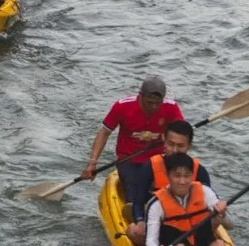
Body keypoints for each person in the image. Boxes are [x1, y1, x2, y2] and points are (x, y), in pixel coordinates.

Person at [80, 75, 186, 219]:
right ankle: (137, 217)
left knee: (166, 192)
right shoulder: (122, 106)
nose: (154, 107)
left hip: (159, 159)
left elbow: (182, 135)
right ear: (140, 96)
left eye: (157, 103)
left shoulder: (171, 107)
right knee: (135, 195)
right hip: (129, 159)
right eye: (149, 102)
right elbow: (104, 133)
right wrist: (92, 162)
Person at [147, 152, 237, 246]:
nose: (182, 181)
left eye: (187, 175)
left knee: (219, 245)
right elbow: (150, 240)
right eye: (177, 176)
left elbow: (231, 225)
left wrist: (222, 213)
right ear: (168, 176)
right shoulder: (156, 204)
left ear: (192, 175)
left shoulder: (205, 192)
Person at [125, 119, 213, 246]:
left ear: (189, 146)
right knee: (134, 231)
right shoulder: (150, 167)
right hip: (158, 225)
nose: (175, 150)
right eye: (171, 144)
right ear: (163, 140)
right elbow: (138, 202)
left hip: (188, 227)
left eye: (180, 146)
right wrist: (140, 221)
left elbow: (207, 206)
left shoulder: (200, 172)